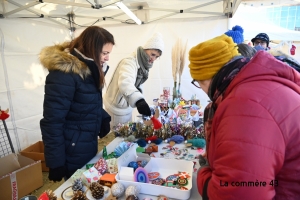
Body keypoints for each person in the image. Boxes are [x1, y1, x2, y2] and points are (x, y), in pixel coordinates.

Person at [189, 34, 300, 199]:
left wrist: (204, 175)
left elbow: (238, 192)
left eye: (198, 83)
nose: (203, 90)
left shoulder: (243, 105)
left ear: (207, 77)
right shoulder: (259, 84)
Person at [39, 26, 115, 181]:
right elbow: (52, 121)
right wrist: (55, 162)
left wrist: (102, 116)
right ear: (91, 49)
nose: (107, 58)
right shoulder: (63, 75)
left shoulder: (89, 69)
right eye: (105, 53)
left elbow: (86, 101)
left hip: (86, 144)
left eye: (109, 54)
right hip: (71, 150)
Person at [104, 32, 164, 128]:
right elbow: (126, 82)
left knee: (126, 135)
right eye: (152, 54)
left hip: (126, 107)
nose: (153, 59)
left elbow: (137, 84)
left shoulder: (142, 65)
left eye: (157, 57)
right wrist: (139, 101)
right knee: (116, 138)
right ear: (145, 49)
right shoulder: (129, 62)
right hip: (116, 109)